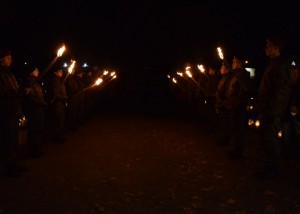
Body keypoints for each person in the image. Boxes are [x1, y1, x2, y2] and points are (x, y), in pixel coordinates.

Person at [256, 35, 291, 180]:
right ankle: (269, 168)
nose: (266, 47)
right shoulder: (272, 64)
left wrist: (273, 112)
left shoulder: (280, 66)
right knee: (266, 140)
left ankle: (274, 170)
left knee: (271, 140)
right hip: (267, 110)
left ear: (276, 48)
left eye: (269, 45)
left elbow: (281, 92)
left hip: (272, 112)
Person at [0, 48, 28, 177]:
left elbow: (15, 90)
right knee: (8, 139)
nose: (11, 59)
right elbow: (5, 94)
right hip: (5, 113)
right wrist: (19, 93)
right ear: (1, 59)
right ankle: (9, 166)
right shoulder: (1, 75)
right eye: (8, 57)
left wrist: (21, 92)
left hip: (13, 111)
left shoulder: (9, 74)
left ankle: (14, 163)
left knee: (14, 138)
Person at [226, 55, 252, 159]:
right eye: (232, 61)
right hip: (233, 105)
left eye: (234, 61)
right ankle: (236, 148)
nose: (232, 63)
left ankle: (239, 151)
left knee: (239, 129)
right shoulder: (235, 74)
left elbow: (243, 91)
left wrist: (238, 104)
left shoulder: (243, 74)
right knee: (234, 128)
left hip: (239, 107)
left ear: (240, 63)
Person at [21, 64, 46, 158]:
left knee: (38, 129)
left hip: (38, 109)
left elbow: (39, 94)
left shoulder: (35, 82)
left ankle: (37, 148)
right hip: (33, 110)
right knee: (33, 130)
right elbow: (31, 97)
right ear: (31, 71)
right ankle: (32, 151)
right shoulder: (29, 82)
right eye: (36, 70)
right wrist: (40, 103)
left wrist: (43, 102)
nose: (38, 71)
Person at [282, 58, 300, 159]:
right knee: (286, 134)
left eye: (296, 71)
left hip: (298, 115)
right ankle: (286, 153)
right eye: (291, 71)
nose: (293, 73)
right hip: (286, 114)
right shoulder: (285, 83)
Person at [214, 62, 234, 145]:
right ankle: (222, 138)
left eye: (222, 68)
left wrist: (223, 99)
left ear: (227, 70)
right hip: (220, 104)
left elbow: (228, 93)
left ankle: (225, 140)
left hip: (225, 105)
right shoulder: (223, 78)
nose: (220, 69)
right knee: (222, 123)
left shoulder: (228, 79)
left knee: (225, 124)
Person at [47, 68, 67, 143]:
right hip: (57, 104)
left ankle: (59, 135)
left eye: (62, 71)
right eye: (59, 71)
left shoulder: (60, 81)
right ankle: (56, 137)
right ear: (55, 73)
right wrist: (63, 98)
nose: (61, 72)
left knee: (61, 120)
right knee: (58, 120)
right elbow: (56, 94)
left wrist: (65, 97)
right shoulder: (54, 81)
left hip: (61, 104)